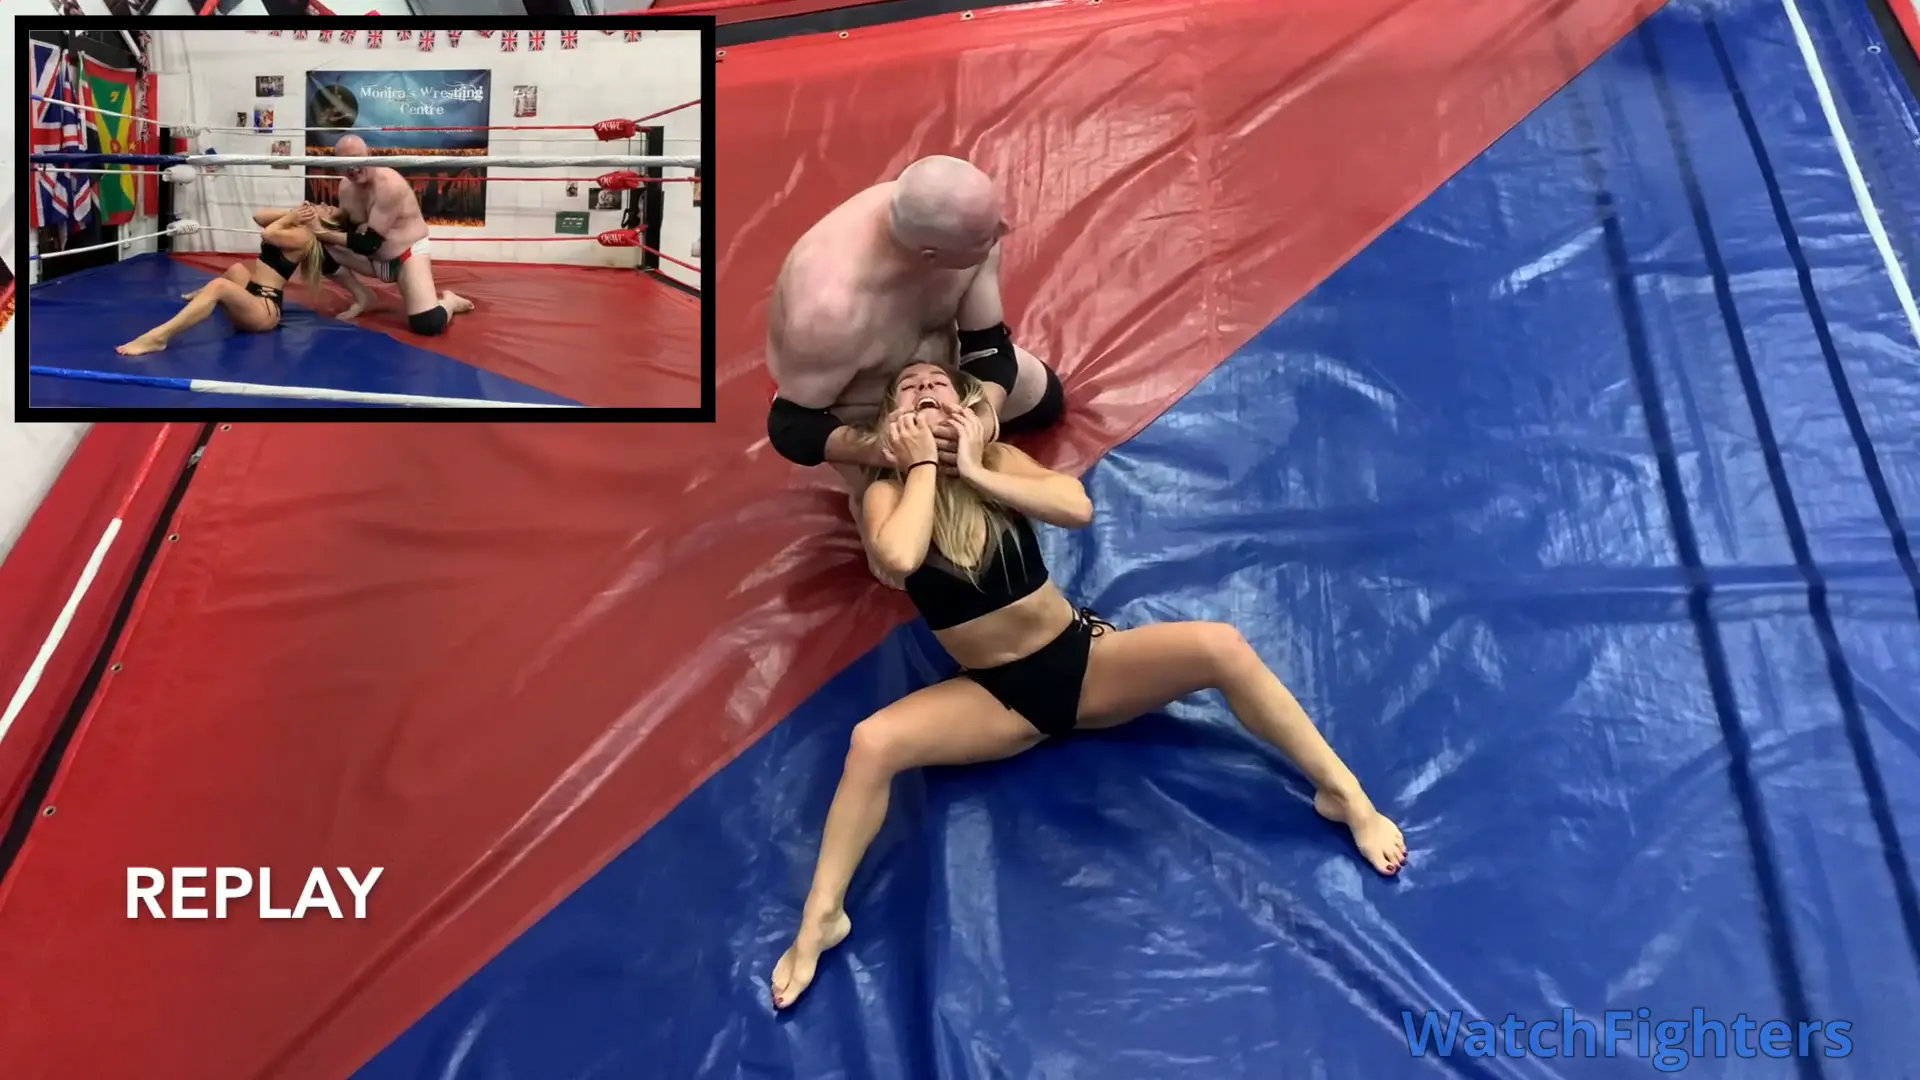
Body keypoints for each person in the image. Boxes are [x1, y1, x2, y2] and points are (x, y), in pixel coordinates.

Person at [768, 362, 1409, 1011]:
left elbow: (1076, 507)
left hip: (1083, 662)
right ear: (892, 419)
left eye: (937, 382)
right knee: (872, 742)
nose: (925, 389)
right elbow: (901, 558)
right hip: (997, 697)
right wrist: (923, 467)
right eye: (909, 388)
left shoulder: (998, 459)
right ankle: (823, 916)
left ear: (964, 403)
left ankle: (1345, 795)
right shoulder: (888, 493)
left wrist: (975, 467)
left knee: (1222, 645)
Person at [766, 155, 1068, 586]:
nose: (1005, 231)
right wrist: (886, 449)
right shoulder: (831, 309)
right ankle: (868, 495)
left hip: (946, 367)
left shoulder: (965, 223)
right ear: (930, 255)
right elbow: (792, 425)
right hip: (865, 403)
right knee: (917, 562)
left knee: (1046, 401)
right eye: (987, 235)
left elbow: (987, 347)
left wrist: (980, 420)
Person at [115, 204, 374, 356]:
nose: (322, 204)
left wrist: (292, 219)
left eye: (327, 208)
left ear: (326, 222)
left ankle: (158, 337)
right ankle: (202, 296)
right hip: (254, 293)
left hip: (264, 310)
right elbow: (259, 217)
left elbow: (268, 233)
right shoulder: (297, 227)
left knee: (220, 286)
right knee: (237, 269)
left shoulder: (304, 237)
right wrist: (294, 213)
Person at [302, 134, 473, 336]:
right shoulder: (345, 187)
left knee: (427, 324)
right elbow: (347, 225)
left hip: (405, 256)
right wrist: (315, 214)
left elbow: (369, 242)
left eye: (356, 159)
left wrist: (321, 232)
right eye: (345, 163)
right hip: (372, 260)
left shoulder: (389, 185)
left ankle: (449, 302)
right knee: (312, 245)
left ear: (369, 155)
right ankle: (363, 296)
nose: (352, 168)